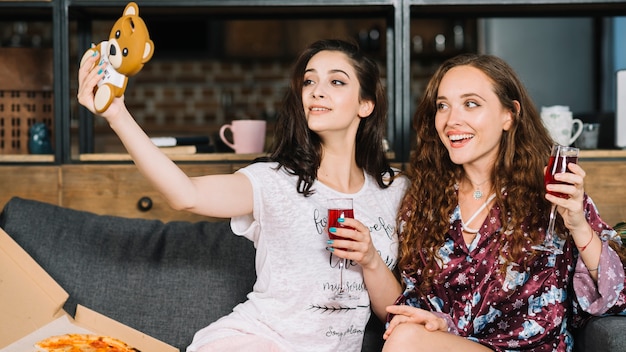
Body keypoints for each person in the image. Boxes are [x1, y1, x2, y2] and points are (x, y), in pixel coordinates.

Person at [78, 39, 407, 352]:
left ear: (366, 104)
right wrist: (116, 115)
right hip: (257, 342)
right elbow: (185, 194)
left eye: (336, 82)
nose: (317, 92)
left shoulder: (394, 191)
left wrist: (370, 259)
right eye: (309, 82)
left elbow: (394, 313)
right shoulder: (273, 182)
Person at [382, 53, 626, 351]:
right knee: (405, 335)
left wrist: (578, 225)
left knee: (405, 341)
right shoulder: (426, 200)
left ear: (509, 115)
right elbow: (414, 300)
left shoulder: (552, 194)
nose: (451, 120)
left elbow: (617, 296)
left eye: (471, 103)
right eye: (442, 106)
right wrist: (439, 323)